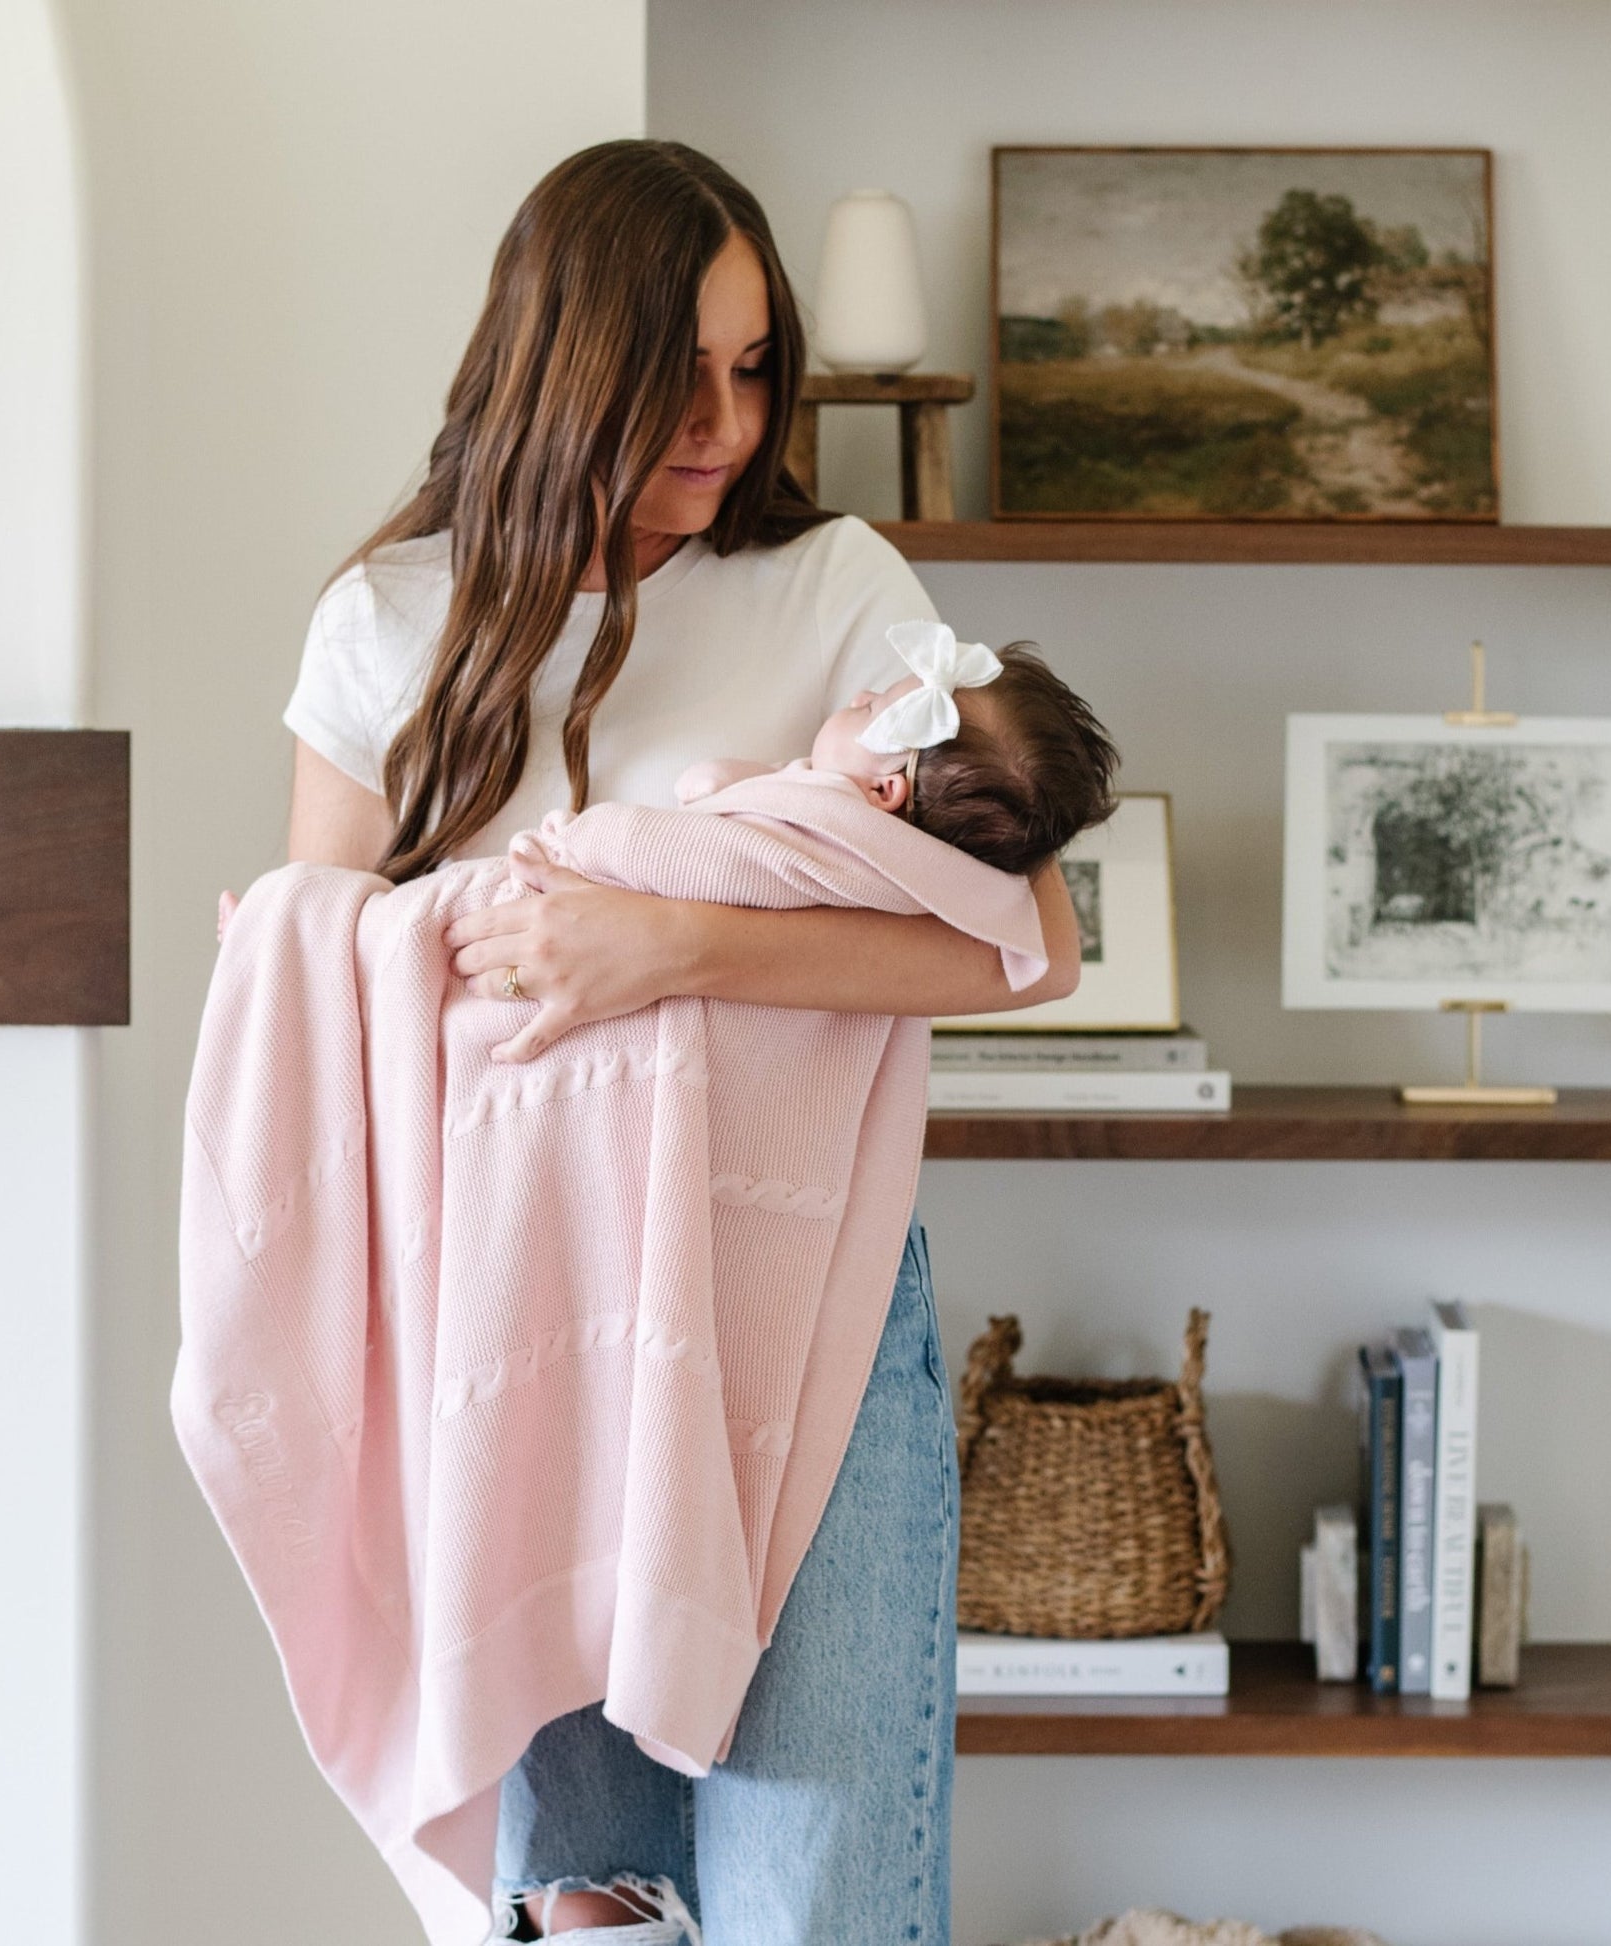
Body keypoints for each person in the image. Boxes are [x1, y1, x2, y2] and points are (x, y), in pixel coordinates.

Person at [282, 138, 1080, 1946]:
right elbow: (306, 990)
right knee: (587, 1901)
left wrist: (668, 941)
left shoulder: (832, 587)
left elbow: (1026, 944)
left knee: (827, 1898)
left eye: (751, 367)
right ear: (563, 360)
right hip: (520, 1329)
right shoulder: (386, 626)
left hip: (799, 1318)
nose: (723, 423)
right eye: (676, 375)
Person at [675, 623, 1119, 875]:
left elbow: (704, 786)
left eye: (871, 710)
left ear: (884, 792)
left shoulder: (816, 821)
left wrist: (721, 783)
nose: (859, 695)